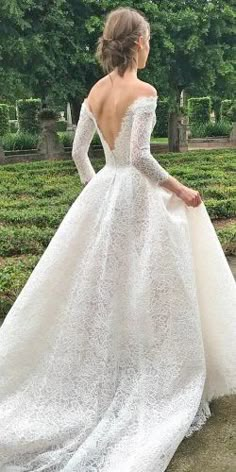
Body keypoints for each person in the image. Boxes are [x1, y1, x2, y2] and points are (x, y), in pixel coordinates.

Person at [0, 6, 235, 472]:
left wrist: (98, 190)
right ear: (137, 43)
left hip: (106, 190)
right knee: (149, 287)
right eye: (148, 40)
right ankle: (149, 371)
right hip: (136, 195)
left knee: (104, 288)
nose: (150, 47)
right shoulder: (143, 91)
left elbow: (76, 150)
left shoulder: (95, 91)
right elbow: (142, 159)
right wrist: (183, 189)